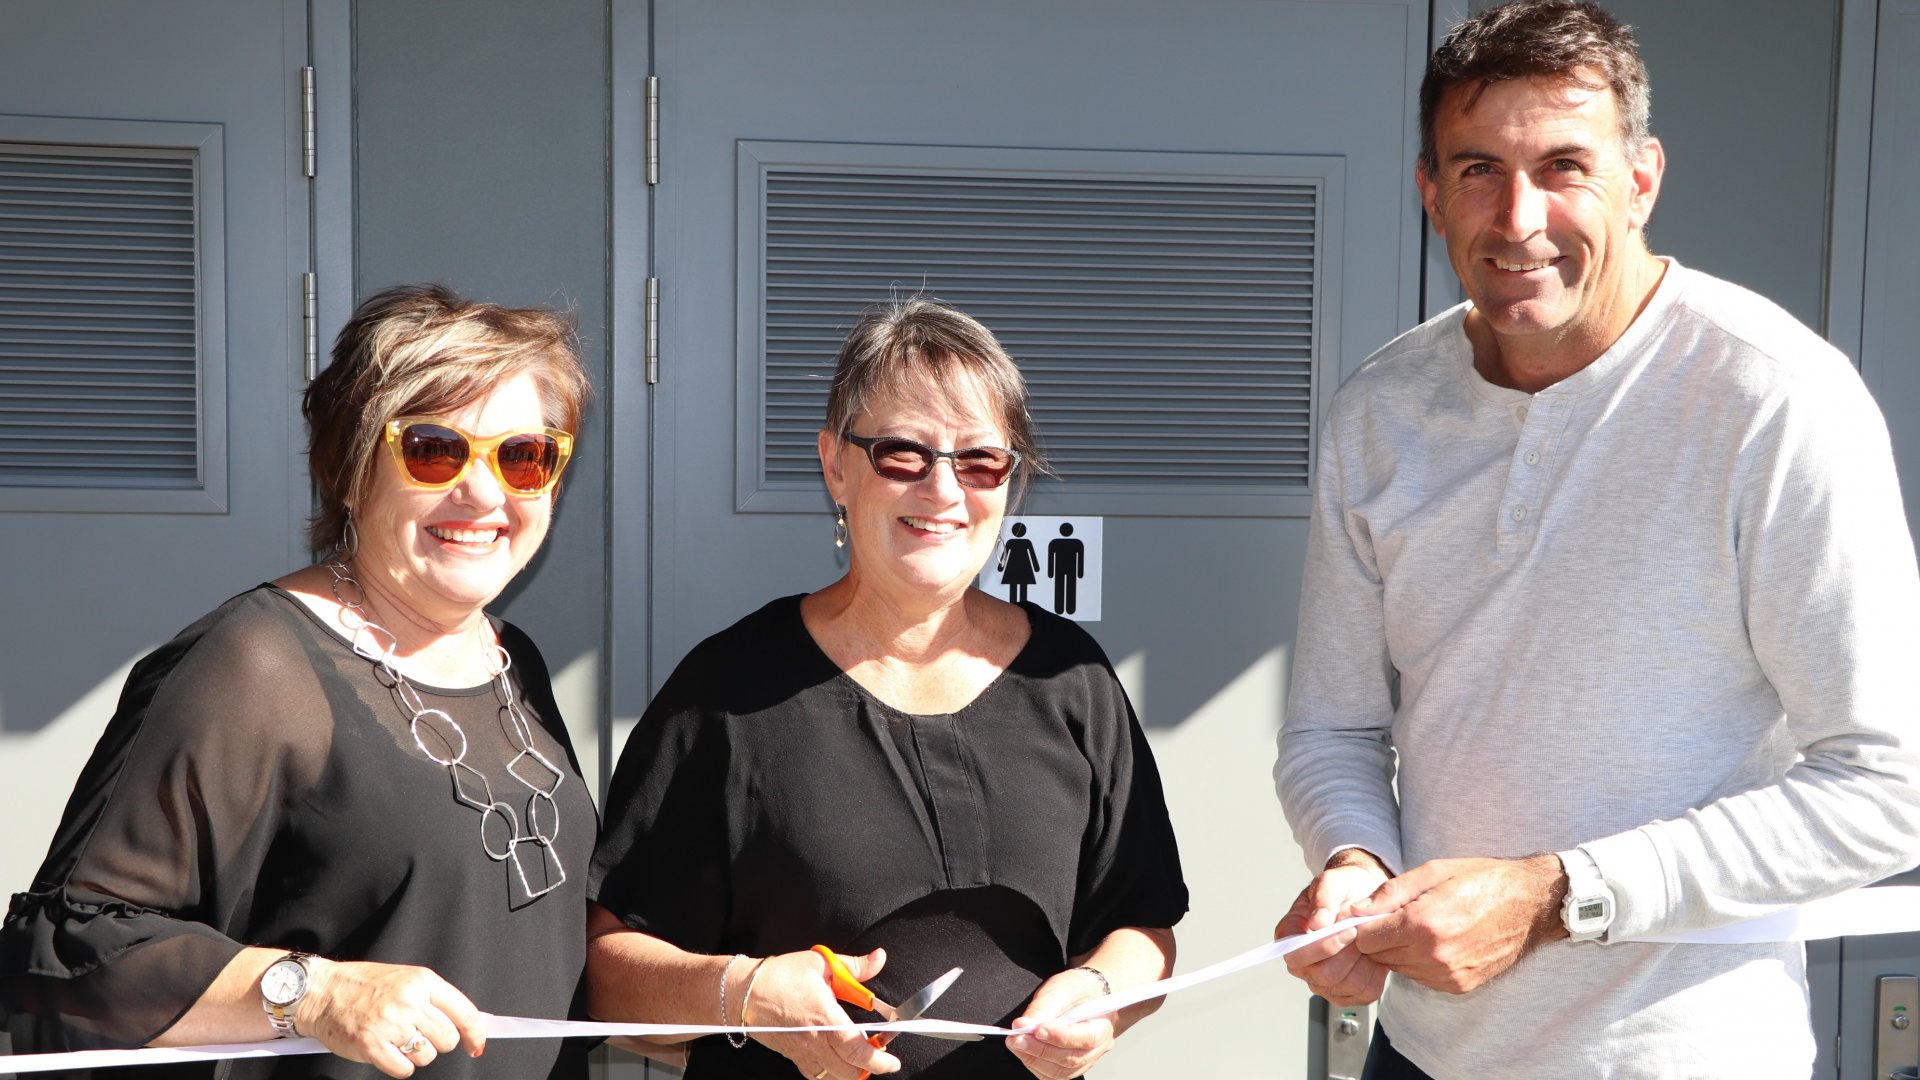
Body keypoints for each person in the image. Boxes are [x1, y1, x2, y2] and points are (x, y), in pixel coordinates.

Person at [1272, 2, 1920, 1077]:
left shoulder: (1775, 402)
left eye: (1564, 165)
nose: (1518, 216)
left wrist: (1552, 896)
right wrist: (1353, 859)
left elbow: (1887, 792)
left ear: (1643, 178)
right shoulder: (1380, 411)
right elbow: (1332, 731)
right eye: (1476, 168)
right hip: (1423, 1053)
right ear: (1429, 193)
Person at [0, 284, 596, 1079]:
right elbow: (71, 944)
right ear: (350, 470)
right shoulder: (254, 665)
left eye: (524, 456)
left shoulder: (507, 655)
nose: (483, 493)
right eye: (432, 449)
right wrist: (310, 992)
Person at [586, 298, 1186, 1079]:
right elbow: (605, 972)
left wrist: (1101, 994)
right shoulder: (727, 697)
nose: (943, 491)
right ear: (836, 465)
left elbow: (1144, 928)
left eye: (980, 460)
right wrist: (746, 991)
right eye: (903, 453)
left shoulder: (1069, 679)